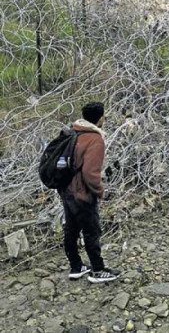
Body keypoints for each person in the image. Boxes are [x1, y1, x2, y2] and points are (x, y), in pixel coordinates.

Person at [59, 102, 120, 284]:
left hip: (66, 190)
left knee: (71, 229)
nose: (105, 118)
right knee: (91, 230)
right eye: (104, 115)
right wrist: (101, 191)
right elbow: (90, 173)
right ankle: (98, 270)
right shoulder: (95, 139)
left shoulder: (74, 131)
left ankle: (76, 267)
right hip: (82, 193)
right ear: (100, 118)